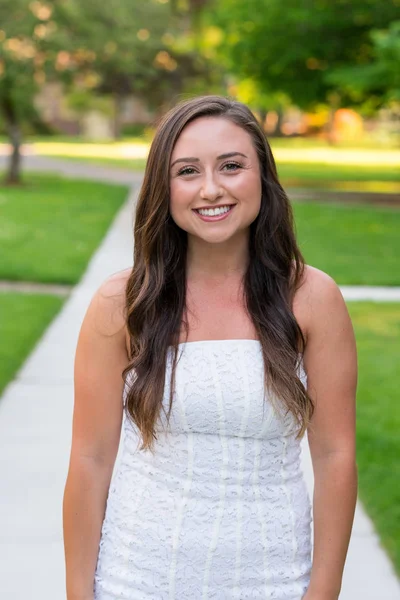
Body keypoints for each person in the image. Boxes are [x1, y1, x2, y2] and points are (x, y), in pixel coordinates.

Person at [63, 95, 358, 600]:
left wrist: (323, 591)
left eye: (231, 166)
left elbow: (335, 455)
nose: (211, 189)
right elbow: (90, 459)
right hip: (136, 580)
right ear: (164, 187)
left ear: (262, 175)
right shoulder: (123, 303)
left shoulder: (312, 299)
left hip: (275, 582)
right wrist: (77, 593)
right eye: (187, 171)